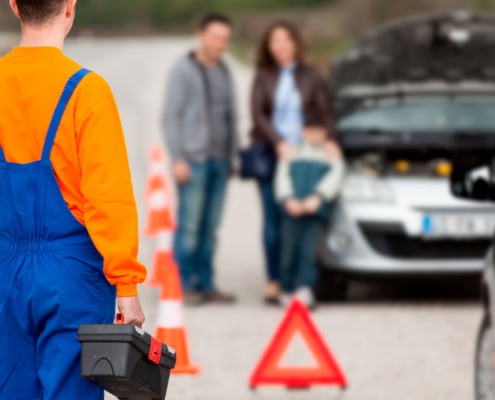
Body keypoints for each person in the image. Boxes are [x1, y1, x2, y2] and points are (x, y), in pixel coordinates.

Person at [0, 1, 147, 399]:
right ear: (70, 7)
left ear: (14, 7)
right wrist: (126, 284)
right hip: (71, 273)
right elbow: (108, 196)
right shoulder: (87, 90)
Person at [250, 20, 339, 304]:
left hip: (305, 156)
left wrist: (330, 141)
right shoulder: (262, 75)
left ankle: (304, 282)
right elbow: (258, 115)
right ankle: (276, 281)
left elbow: (325, 110)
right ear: (268, 45)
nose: (281, 46)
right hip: (271, 151)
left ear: (296, 43)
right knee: (274, 222)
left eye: (286, 40)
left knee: (304, 219)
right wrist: (279, 143)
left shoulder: (311, 74)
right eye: (275, 41)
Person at [164, 13, 239, 305]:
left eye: (225, 38)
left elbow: (231, 116)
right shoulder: (182, 70)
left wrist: (233, 155)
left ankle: (207, 284)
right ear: (201, 35)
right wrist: (177, 157)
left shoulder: (224, 70)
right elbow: (171, 116)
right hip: (193, 161)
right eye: (215, 36)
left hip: (220, 160)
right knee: (190, 227)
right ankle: (184, 285)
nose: (220, 43)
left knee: (211, 229)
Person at [275, 121, 344, 309]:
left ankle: (305, 288)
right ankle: (287, 288)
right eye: (310, 131)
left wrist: (319, 197)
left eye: (318, 131)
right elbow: (282, 176)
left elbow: (336, 176)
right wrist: (287, 199)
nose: (314, 135)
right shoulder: (293, 151)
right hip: (292, 210)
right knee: (288, 250)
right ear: (303, 131)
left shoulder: (329, 153)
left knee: (309, 251)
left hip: (314, 212)